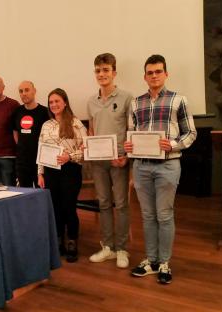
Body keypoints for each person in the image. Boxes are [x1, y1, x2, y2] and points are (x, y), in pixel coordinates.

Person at [124, 55, 197, 284]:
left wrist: (173, 144)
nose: (154, 76)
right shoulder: (136, 103)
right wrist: (129, 145)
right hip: (142, 167)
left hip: (168, 165)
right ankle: (151, 260)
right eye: (150, 72)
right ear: (145, 76)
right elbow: (131, 132)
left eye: (158, 71)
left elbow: (191, 133)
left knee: (164, 215)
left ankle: (164, 261)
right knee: (147, 216)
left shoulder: (179, 100)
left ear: (166, 74)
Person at [86, 53, 133, 268]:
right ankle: (108, 247)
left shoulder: (126, 98)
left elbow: (132, 130)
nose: (101, 74)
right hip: (99, 162)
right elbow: (93, 130)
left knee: (121, 204)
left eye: (105, 70)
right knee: (104, 203)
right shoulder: (91, 101)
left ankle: (122, 248)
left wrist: (125, 156)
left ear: (114, 73)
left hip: (119, 161)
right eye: (98, 70)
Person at [38, 88, 87, 263]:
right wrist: (40, 174)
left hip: (70, 171)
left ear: (65, 102)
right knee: (55, 207)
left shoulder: (76, 124)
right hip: (51, 172)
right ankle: (58, 239)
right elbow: (40, 150)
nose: (54, 105)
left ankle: (72, 241)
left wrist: (69, 156)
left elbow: (86, 150)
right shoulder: (46, 125)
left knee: (68, 207)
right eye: (51, 102)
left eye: (57, 101)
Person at [12, 81, 49, 187]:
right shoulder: (17, 112)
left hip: (40, 162)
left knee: (41, 194)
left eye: (27, 90)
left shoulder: (45, 112)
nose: (24, 93)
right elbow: (15, 132)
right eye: (21, 91)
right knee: (25, 194)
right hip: (22, 163)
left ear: (34, 91)